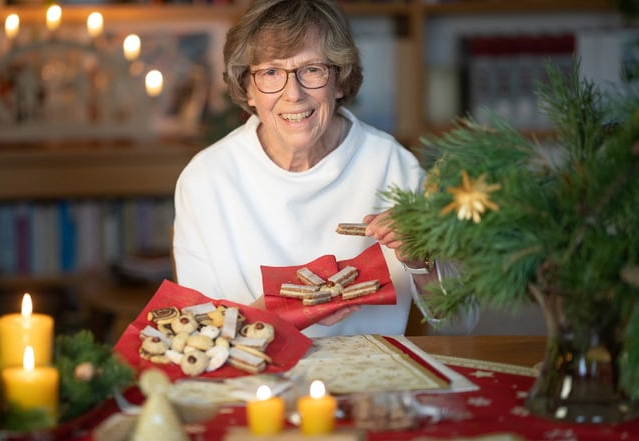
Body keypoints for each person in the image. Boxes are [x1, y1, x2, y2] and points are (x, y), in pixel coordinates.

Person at [172, 0, 475, 337]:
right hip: (251, 381)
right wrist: (288, 310)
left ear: (340, 80)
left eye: (312, 69)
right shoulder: (206, 179)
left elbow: (460, 319)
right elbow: (195, 333)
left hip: (370, 383)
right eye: (271, 72)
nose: (294, 94)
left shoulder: (392, 165)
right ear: (248, 89)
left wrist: (421, 261)